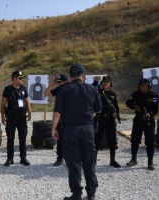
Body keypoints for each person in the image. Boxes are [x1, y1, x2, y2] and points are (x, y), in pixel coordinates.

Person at [52, 64, 101, 200]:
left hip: (70, 130)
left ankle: (77, 194)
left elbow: (57, 112)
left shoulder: (64, 90)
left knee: (73, 164)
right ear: (83, 75)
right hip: (87, 129)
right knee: (89, 162)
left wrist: (54, 128)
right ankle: (91, 193)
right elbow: (98, 109)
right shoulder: (92, 89)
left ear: (69, 76)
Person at [125, 78, 159, 170]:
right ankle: (133, 159)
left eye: (144, 86)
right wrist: (134, 106)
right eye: (141, 86)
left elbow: (156, 109)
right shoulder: (136, 94)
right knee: (134, 140)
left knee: (150, 142)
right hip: (138, 119)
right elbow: (128, 102)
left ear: (149, 86)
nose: (142, 88)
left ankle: (150, 162)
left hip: (149, 120)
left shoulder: (154, 95)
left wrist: (149, 114)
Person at [1, 70, 31, 166]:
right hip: (11, 117)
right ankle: (10, 159)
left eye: (22, 78)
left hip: (21, 116)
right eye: (20, 78)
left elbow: (27, 101)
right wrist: (2, 116)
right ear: (14, 78)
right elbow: (3, 104)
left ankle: (23, 158)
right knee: (10, 138)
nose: (22, 79)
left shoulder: (23, 88)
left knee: (23, 137)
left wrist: (29, 112)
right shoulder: (8, 90)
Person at [92, 76, 121, 168]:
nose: (105, 84)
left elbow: (116, 107)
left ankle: (112, 160)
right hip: (99, 119)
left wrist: (116, 113)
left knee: (112, 140)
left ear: (110, 84)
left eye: (107, 82)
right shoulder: (97, 92)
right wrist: (96, 82)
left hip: (110, 119)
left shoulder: (113, 94)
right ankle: (93, 161)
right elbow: (92, 89)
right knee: (96, 140)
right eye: (104, 82)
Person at [44, 73, 68, 166]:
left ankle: (70, 158)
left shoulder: (70, 89)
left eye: (60, 82)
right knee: (60, 139)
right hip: (61, 117)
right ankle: (60, 158)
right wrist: (52, 84)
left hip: (69, 116)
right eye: (58, 82)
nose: (59, 84)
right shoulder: (59, 89)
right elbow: (46, 93)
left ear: (65, 81)